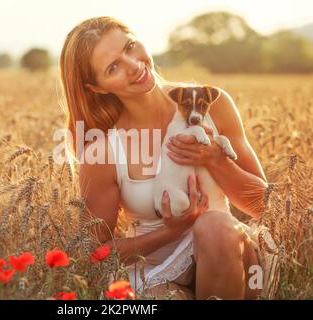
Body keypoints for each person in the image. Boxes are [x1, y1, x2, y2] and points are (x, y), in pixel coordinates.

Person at [58, 16, 269, 300]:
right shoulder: (104, 152)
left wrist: (215, 160)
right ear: (98, 88)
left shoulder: (210, 105)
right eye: (113, 67)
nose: (134, 66)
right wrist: (170, 232)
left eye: (130, 46)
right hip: (156, 267)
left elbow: (265, 207)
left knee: (214, 224)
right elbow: (95, 250)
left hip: (229, 250)